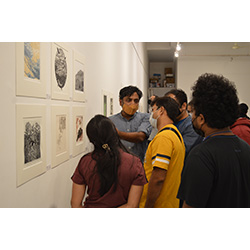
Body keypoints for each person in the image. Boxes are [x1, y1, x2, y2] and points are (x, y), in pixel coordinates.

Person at [177, 73, 250, 208]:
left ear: (202, 119)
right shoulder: (246, 148)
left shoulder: (201, 155)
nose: (191, 117)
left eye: (193, 112)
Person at [71, 115, 147, 208]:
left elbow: (75, 204)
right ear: (114, 133)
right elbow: (132, 206)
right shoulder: (134, 163)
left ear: (91, 139)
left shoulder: (85, 162)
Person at [139, 97, 185, 208]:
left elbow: (158, 178)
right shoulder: (175, 134)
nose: (152, 114)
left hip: (159, 204)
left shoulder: (163, 138)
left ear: (161, 110)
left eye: (153, 110)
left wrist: (148, 206)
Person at [109, 86, 152, 163]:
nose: (132, 104)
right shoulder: (111, 121)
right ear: (120, 102)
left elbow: (140, 137)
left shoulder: (145, 118)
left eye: (136, 101)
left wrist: (117, 133)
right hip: (118, 165)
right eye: (128, 100)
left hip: (139, 165)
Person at [165, 89, 203, 159]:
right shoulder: (170, 123)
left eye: (172, 105)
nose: (168, 109)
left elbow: (181, 151)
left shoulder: (191, 126)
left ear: (183, 106)